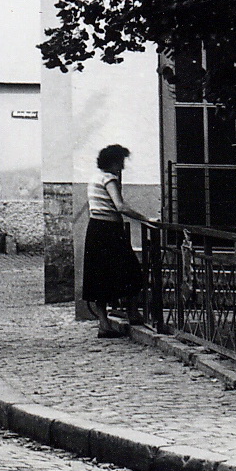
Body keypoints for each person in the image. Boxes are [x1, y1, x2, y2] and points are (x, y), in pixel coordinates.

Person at [83, 144, 150, 338]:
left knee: (99, 276)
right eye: (120, 162)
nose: (122, 166)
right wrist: (145, 219)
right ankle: (132, 312)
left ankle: (104, 324)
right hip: (110, 231)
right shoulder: (109, 179)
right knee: (132, 271)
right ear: (112, 162)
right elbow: (120, 206)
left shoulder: (94, 178)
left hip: (95, 229)